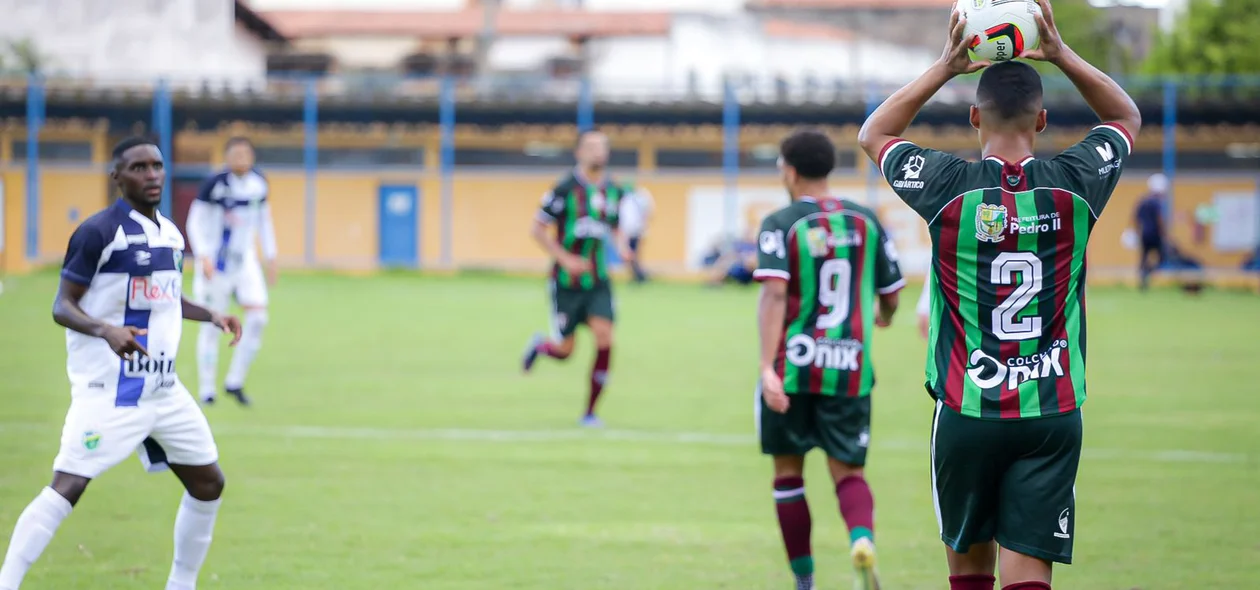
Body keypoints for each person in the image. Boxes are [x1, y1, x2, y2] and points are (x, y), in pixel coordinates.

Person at [856, 1, 1140, 589]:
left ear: (972, 118)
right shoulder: (1076, 185)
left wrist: (945, 64)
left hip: (967, 411)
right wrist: (1061, 54)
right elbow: (1125, 116)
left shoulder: (947, 189)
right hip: (1051, 412)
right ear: (1040, 121)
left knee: (969, 574)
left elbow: (875, 132)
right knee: (1028, 572)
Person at [0, 137, 243, 590]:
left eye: (157, 166)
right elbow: (62, 306)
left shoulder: (169, 232)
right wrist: (105, 330)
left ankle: (181, 585)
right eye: (138, 167)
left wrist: (212, 314)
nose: (151, 175)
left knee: (209, 483)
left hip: (165, 391)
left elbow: (167, 298)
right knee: (68, 485)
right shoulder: (97, 232)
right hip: (111, 390)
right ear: (118, 177)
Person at [755, 129, 905, 590]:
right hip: (850, 368)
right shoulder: (867, 221)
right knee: (849, 473)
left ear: (790, 170)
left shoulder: (781, 222)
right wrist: (882, 316)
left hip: (793, 367)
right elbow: (892, 293)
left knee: (787, 474)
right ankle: (861, 540)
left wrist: (766, 367)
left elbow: (775, 293)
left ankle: (805, 581)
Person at [521, 129, 634, 427]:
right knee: (565, 351)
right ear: (579, 153)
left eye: (603, 146)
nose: (598, 152)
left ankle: (590, 412)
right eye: (592, 147)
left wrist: (622, 248)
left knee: (605, 337)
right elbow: (536, 230)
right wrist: (566, 259)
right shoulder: (563, 190)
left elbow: (615, 226)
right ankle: (540, 346)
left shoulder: (614, 191)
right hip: (566, 284)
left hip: (598, 282)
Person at [186, 137, 277, 406]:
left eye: (245, 154)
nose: (241, 159)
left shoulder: (259, 184)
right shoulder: (214, 184)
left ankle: (234, 381)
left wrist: (271, 256)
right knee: (212, 324)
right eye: (235, 154)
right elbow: (195, 220)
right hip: (216, 263)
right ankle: (207, 389)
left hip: (245, 262)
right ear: (227, 157)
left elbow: (264, 221)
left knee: (259, 318)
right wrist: (202, 255)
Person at [1133, 173, 1168, 290]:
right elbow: (1160, 219)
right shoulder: (1157, 202)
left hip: (1144, 234)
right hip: (1155, 234)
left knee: (1144, 257)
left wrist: (1137, 232)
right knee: (1162, 257)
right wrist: (1164, 233)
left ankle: (1143, 278)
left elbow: (1136, 218)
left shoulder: (1143, 201)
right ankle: (1148, 272)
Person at [618, 183, 655, 283]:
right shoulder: (629, 199)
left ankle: (638, 275)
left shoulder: (638, 198)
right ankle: (636, 275)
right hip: (630, 231)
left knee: (633, 253)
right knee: (631, 253)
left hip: (634, 231)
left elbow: (648, 213)